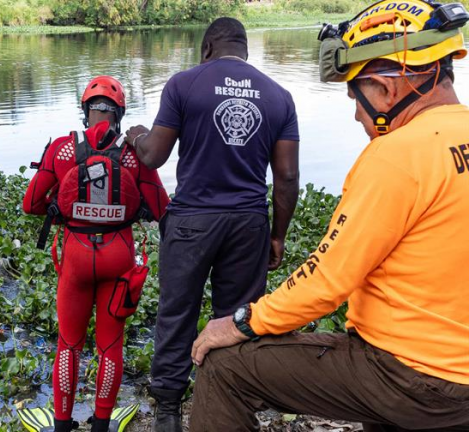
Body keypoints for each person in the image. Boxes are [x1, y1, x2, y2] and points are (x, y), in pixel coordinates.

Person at [188, 1, 469, 430]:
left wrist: (242, 322)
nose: (357, 113)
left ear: (385, 89)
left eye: (355, 95)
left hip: (411, 377)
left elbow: (326, 282)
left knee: (226, 367)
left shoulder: (397, 155)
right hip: (456, 377)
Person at [123, 17, 300, 431]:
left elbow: (153, 156)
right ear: (245, 52)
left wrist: (136, 134)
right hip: (249, 223)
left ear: (206, 49)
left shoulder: (184, 84)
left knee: (176, 313)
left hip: (191, 222)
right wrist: (277, 236)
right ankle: (226, 406)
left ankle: (168, 411)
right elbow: (287, 177)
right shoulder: (279, 96)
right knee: (237, 319)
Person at [21, 76, 170, 432]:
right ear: (119, 114)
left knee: (69, 344)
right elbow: (161, 207)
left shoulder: (61, 149)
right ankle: (102, 424)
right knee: (109, 346)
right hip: (118, 256)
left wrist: (62, 208)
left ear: (85, 110)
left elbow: (30, 205)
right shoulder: (135, 154)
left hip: (75, 254)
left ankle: (61, 424)